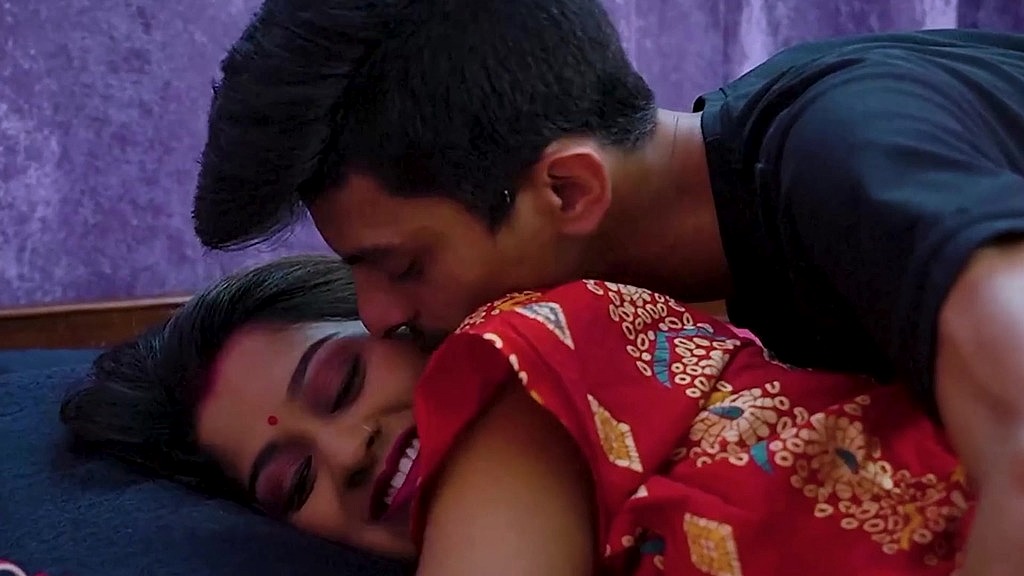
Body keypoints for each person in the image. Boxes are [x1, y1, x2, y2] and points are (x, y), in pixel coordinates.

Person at [189, 2, 1024, 572]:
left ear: (568, 190)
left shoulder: (847, 154)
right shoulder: (750, 216)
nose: (378, 316)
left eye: (404, 267)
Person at [62, 256, 974, 575]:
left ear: (401, 321)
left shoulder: (532, 340)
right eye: (292, 481)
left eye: (339, 382)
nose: (345, 453)